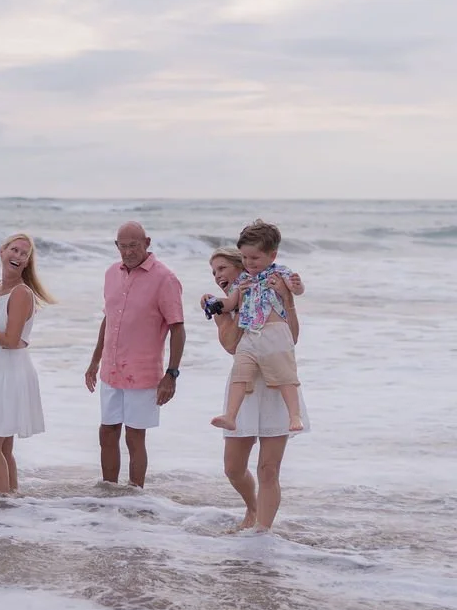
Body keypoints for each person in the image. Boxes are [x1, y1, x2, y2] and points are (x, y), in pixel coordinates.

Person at [206, 247, 310, 532]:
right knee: (233, 468)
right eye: (214, 272)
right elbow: (230, 346)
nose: (217, 277)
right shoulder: (227, 301)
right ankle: (252, 507)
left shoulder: (273, 288)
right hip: (245, 387)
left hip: (277, 386)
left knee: (268, 469)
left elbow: (293, 338)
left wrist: (288, 299)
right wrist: (227, 311)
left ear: (242, 265)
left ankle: (262, 535)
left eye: (222, 269)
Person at [84, 222, 185, 488]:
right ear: (116, 245)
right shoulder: (110, 274)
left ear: (147, 243)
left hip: (143, 373)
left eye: (134, 246)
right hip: (111, 370)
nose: (128, 252)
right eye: (123, 246)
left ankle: (135, 495)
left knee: (134, 437)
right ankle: (108, 492)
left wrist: (171, 375)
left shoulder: (166, 278)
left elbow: (177, 328)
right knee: (107, 432)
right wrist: (95, 361)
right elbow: (108, 319)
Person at [0, 233, 56, 494]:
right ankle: (12, 500)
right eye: (14, 250)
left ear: (27, 263)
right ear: (2, 252)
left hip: (11, 374)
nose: (18, 256)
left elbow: (9, 340)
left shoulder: (21, 294)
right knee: (3, 446)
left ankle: (2, 502)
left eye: (24, 254)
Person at [206, 220, 306, 433]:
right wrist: (215, 303)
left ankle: (295, 416)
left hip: (275, 333)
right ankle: (230, 416)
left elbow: (295, 291)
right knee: (240, 373)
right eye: (244, 257)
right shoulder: (243, 280)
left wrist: (295, 287)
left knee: (285, 375)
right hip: (250, 334)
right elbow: (231, 303)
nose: (249, 263)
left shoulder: (279, 273)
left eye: (254, 258)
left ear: (272, 256)